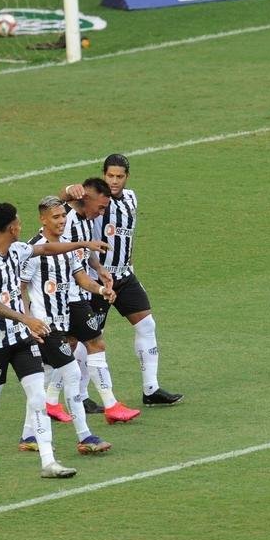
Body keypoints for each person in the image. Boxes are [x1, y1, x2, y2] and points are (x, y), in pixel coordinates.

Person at [0, 202, 109, 478]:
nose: (21, 226)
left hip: (22, 340)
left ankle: (48, 462)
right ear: (11, 227)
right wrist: (26, 318)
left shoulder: (18, 250)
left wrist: (84, 243)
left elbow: (48, 249)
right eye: (18, 222)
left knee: (39, 397)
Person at [62, 156, 183, 407]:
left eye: (119, 176)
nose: (114, 181)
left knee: (147, 325)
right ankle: (82, 396)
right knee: (90, 337)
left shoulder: (131, 198)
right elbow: (60, 205)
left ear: (127, 177)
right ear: (103, 175)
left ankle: (151, 389)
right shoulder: (92, 199)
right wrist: (66, 191)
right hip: (95, 278)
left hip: (124, 275)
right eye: (110, 176)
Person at [17, 196, 115, 456]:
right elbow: (21, 288)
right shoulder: (33, 250)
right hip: (45, 327)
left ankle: (28, 435)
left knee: (43, 379)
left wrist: (100, 289)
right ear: (43, 219)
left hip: (61, 322)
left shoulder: (67, 247)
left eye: (63, 216)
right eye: (56, 217)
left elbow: (81, 278)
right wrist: (28, 321)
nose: (61, 222)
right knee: (71, 375)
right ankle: (85, 436)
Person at [58, 177, 142, 424]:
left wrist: (100, 268)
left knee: (69, 346)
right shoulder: (67, 221)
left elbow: (85, 257)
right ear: (86, 198)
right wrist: (99, 289)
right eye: (101, 207)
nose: (102, 213)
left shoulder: (85, 220)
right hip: (69, 296)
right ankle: (111, 405)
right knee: (96, 344)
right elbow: (76, 270)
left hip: (78, 293)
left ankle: (49, 402)